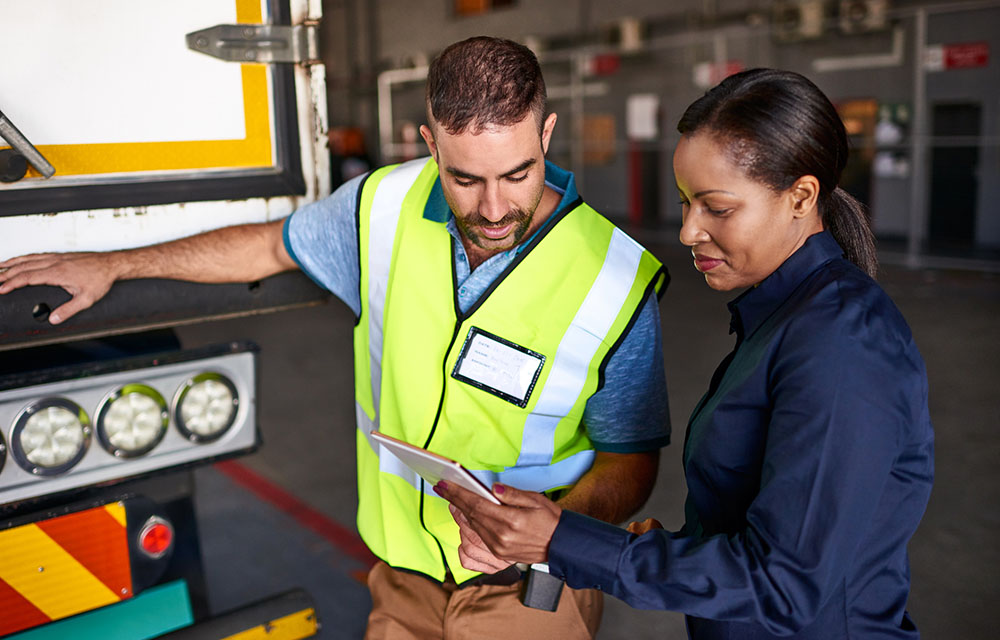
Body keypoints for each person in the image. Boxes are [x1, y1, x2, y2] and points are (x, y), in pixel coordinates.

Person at [0, 37, 671, 639]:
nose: (494, 209)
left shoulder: (614, 280)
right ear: (429, 143)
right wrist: (116, 264)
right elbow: (266, 248)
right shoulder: (380, 206)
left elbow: (631, 462)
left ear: (547, 134)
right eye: (465, 178)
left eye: (516, 174)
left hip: (532, 599)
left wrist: (548, 528)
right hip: (400, 584)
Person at [438, 68, 934, 639]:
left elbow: (787, 583)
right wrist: (668, 549)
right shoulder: (782, 320)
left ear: (801, 196)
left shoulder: (844, 340)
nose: (687, 231)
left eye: (716, 208)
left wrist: (563, 539)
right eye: (684, 202)